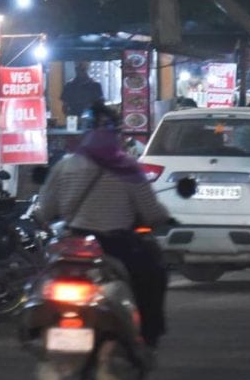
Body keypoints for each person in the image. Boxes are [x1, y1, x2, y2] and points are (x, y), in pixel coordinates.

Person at [35, 103, 172, 347]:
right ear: (116, 135)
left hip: (73, 244)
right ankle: (147, 336)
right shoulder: (127, 167)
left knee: (40, 279)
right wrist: (164, 219)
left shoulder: (65, 166)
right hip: (116, 245)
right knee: (154, 272)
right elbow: (151, 213)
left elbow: (44, 211)